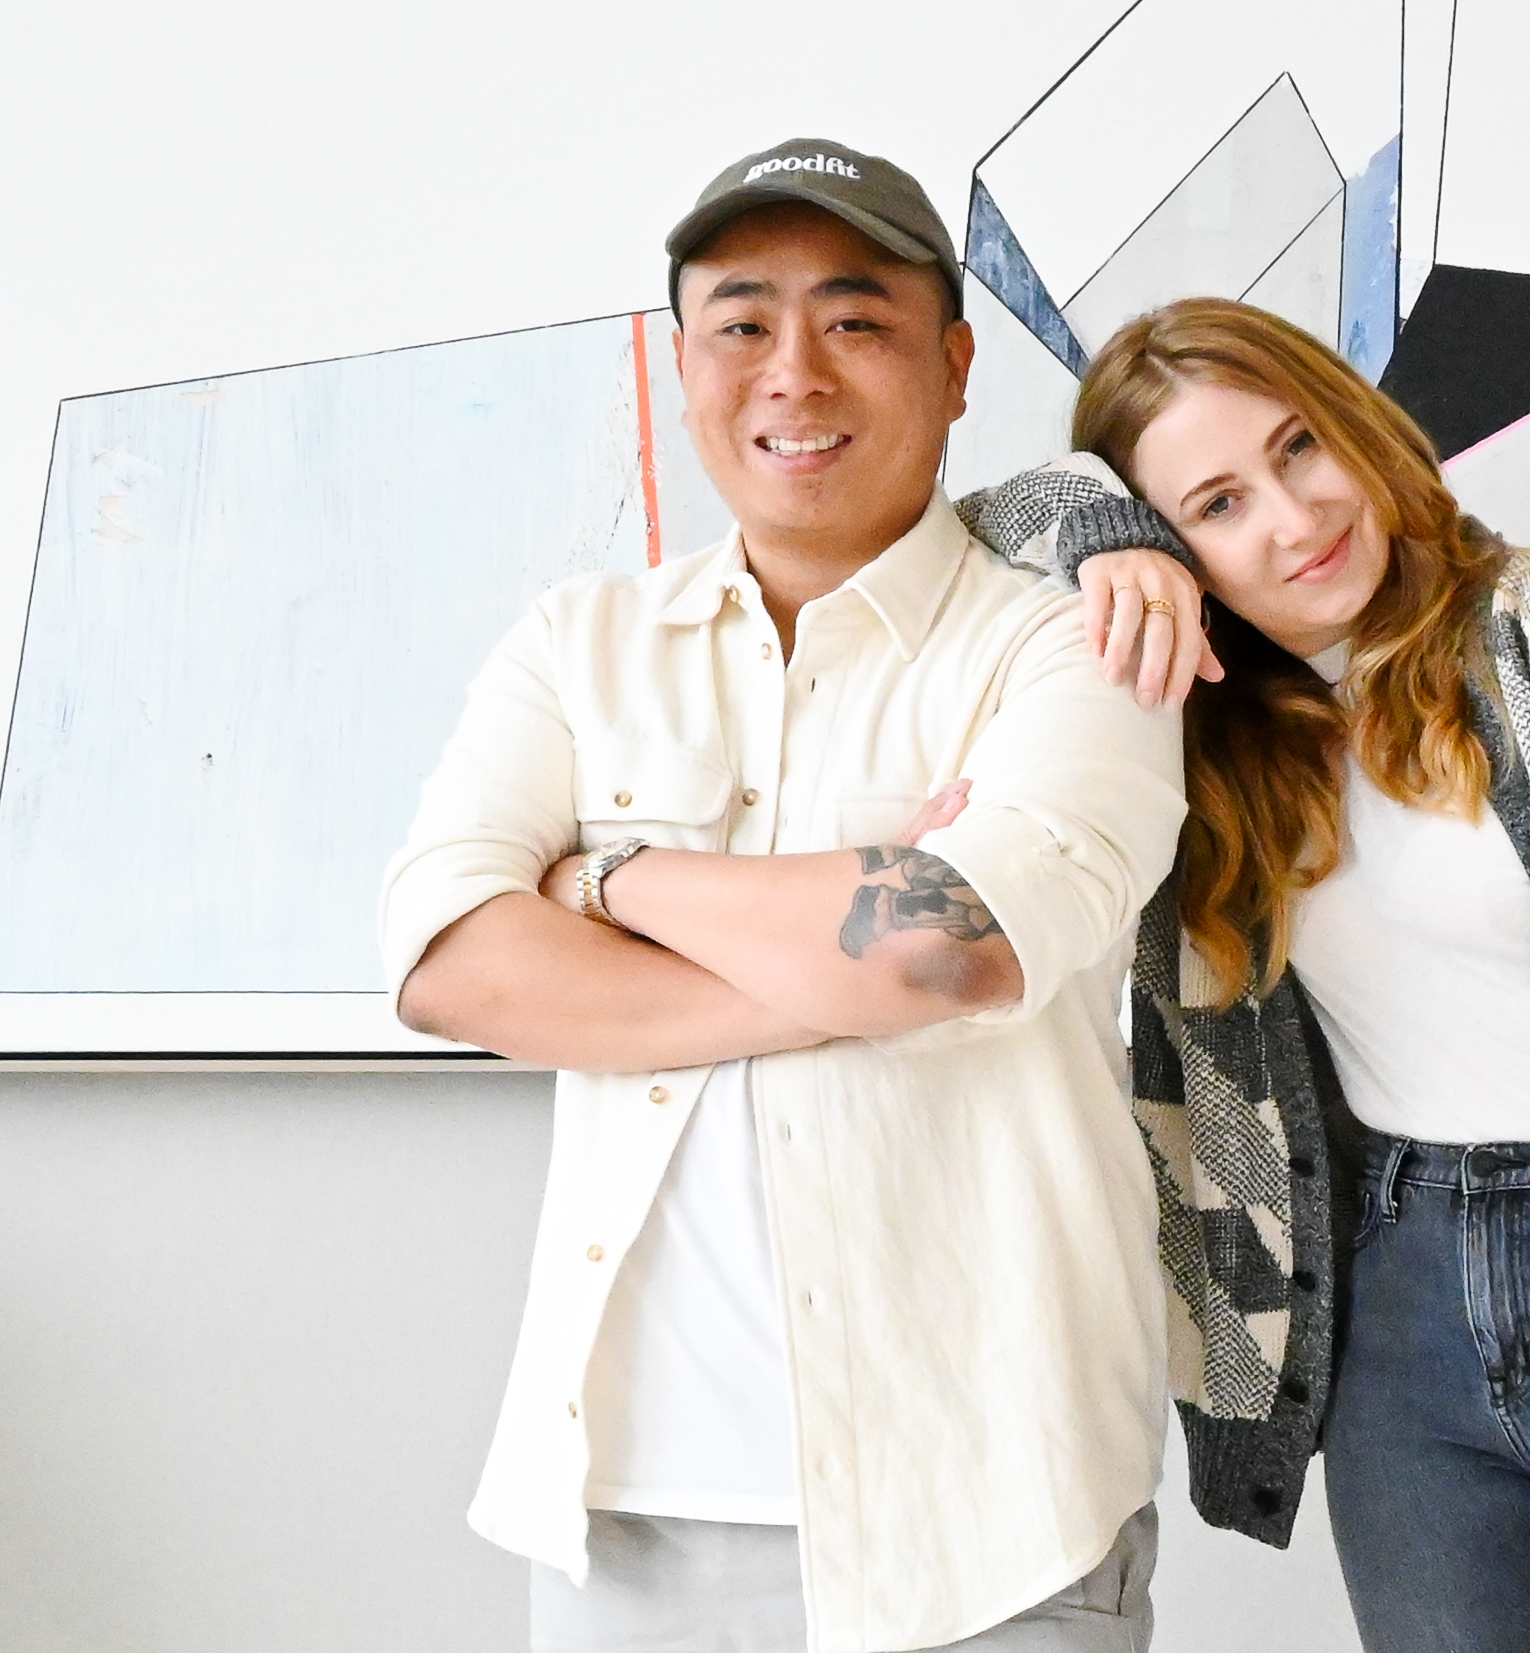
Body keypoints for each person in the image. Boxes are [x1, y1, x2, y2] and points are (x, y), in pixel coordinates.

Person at [962, 296, 1530, 1652]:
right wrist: (1098, 532)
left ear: (1353, 423)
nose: (1291, 515)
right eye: (1216, 503)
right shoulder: (1200, 743)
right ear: (1172, 548)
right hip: (1395, 1320)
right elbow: (962, 539)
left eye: (1297, 446)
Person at [378, 140, 1185, 1653]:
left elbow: (945, 956)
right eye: (741, 324)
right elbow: (447, 960)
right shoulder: (580, 641)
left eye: (855, 320)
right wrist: (843, 966)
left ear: (953, 368)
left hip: (991, 1511)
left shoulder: (1076, 643)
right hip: (623, 1517)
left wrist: (609, 880)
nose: (791, 375)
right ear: (683, 367)